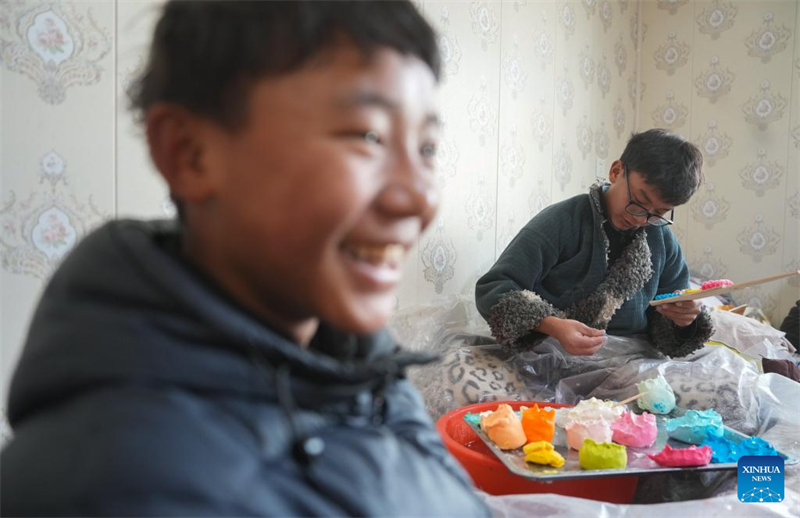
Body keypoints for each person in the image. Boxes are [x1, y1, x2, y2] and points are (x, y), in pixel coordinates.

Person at [0, 2, 490, 516]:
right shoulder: (111, 488)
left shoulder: (358, 366)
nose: (420, 198)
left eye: (427, 148)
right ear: (189, 153)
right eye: (367, 135)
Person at [476, 129, 714, 359]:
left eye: (659, 213)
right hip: (552, 352)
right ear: (616, 171)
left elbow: (672, 309)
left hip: (631, 361)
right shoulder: (560, 221)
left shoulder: (662, 239)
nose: (641, 219)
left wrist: (684, 320)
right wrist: (552, 325)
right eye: (640, 200)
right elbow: (494, 288)